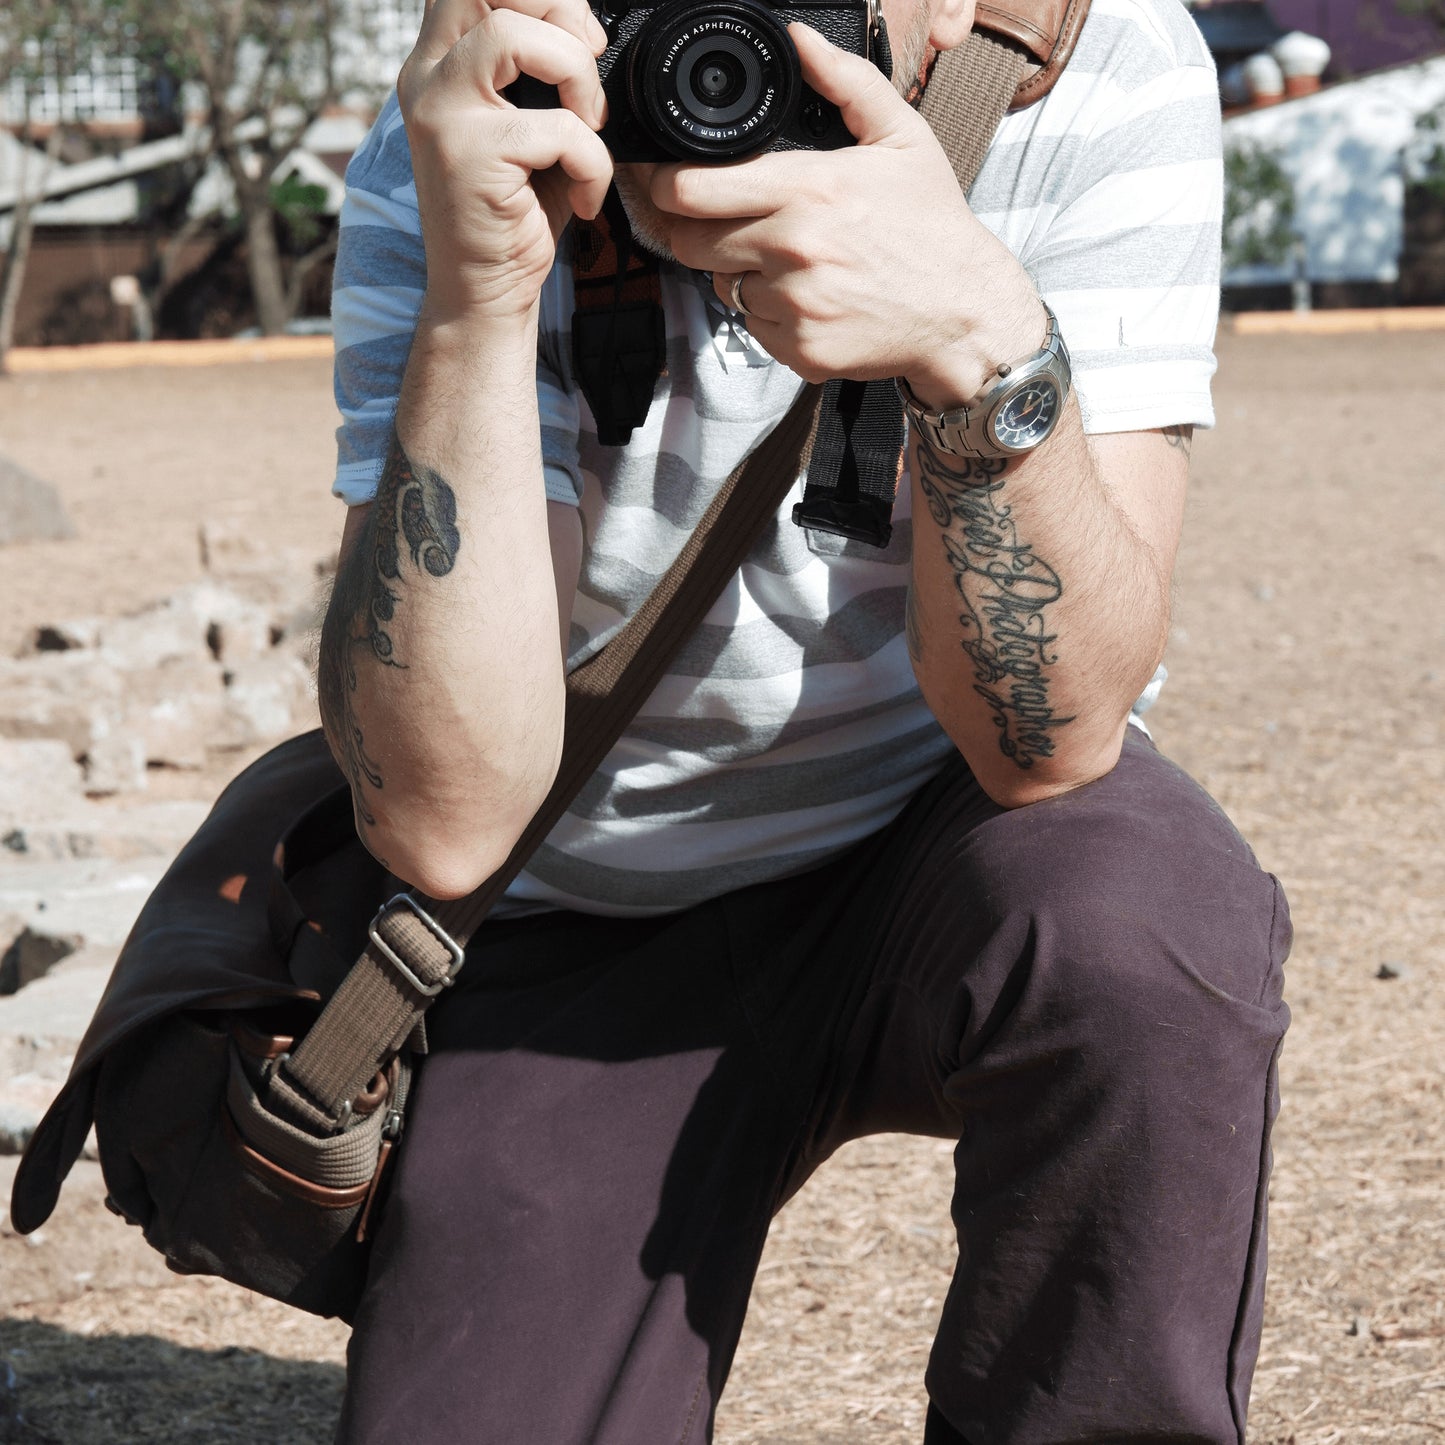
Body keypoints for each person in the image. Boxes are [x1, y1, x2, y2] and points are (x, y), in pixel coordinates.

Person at [317, 0, 1291, 1436]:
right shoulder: (486, 106)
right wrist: (479, 295)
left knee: (1141, 918)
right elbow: (447, 823)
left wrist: (976, 334)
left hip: (940, 838)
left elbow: (1056, 741)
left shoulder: (1094, 57)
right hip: (586, 896)